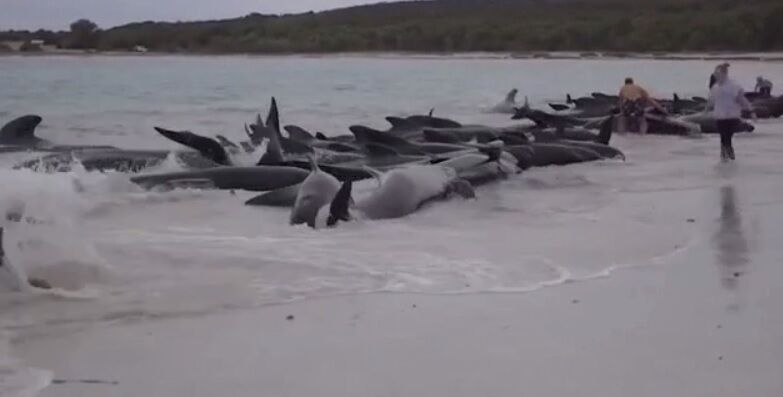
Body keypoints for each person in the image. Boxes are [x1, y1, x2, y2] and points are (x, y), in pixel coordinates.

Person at [708, 63, 756, 161]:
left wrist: (751, 111)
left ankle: (729, 159)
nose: (716, 76)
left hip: (731, 117)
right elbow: (711, 102)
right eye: (715, 75)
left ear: (724, 74)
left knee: (727, 138)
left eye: (717, 74)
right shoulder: (715, 88)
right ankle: (725, 159)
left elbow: (742, 100)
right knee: (723, 139)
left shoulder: (733, 86)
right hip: (720, 117)